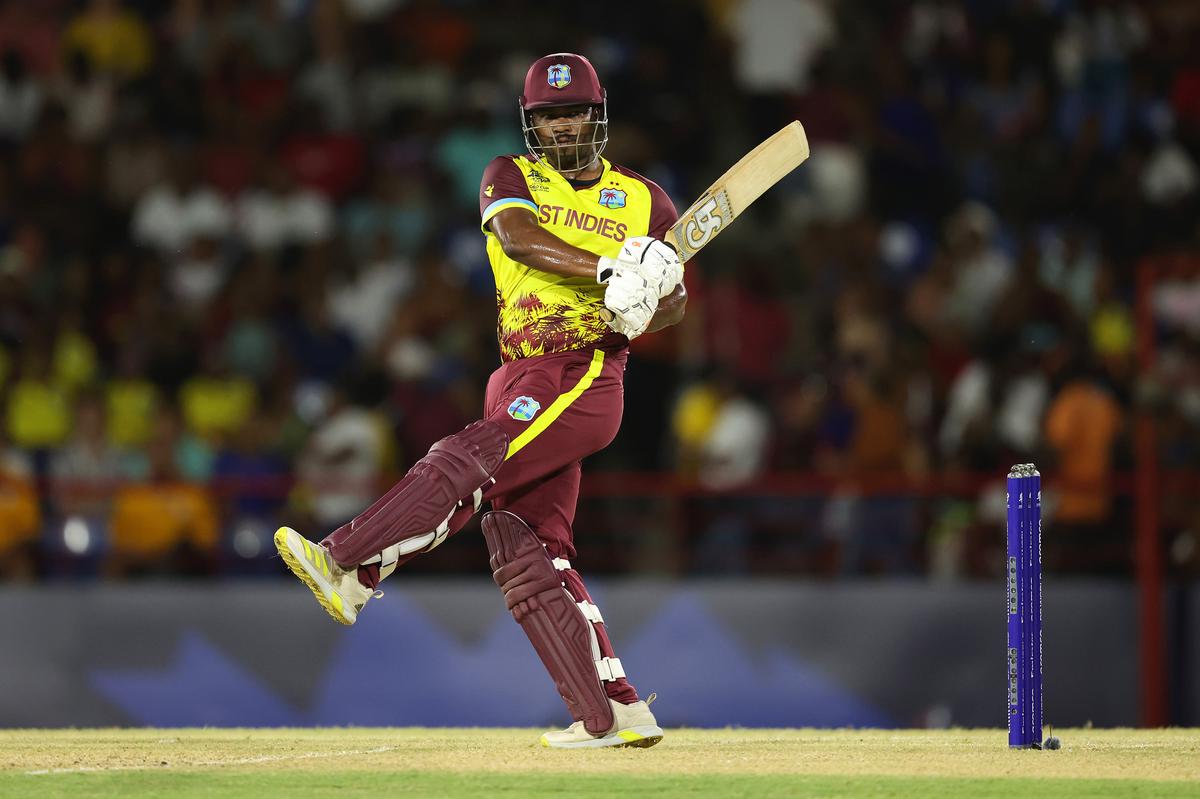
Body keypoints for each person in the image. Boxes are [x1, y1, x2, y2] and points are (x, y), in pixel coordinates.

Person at [275, 53, 686, 749]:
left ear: (599, 114)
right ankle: (611, 711)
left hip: (584, 368)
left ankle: (351, 563)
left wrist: (653, 297)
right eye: (549, 116)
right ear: (532, 124)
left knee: (471, 456)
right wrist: (611, 266)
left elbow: (673, 301)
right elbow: (517, 238)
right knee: (525, 550)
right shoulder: (508, 174)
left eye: (574, 112)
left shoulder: (647, 201)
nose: (563, 127)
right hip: (519, 369)